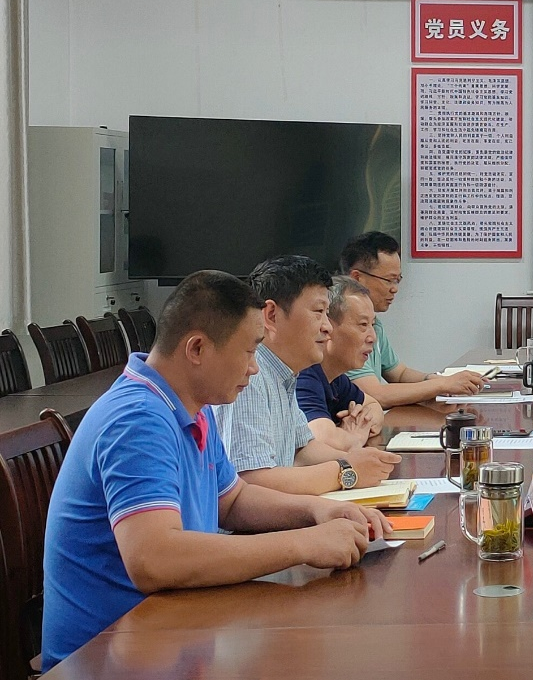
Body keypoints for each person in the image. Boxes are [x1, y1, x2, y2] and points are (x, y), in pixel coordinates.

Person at [42, 271, 388, 669]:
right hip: (109, 656)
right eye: (249, 352)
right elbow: (155, 559)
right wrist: (305, 544)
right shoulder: (138, 419)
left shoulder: (191, 405)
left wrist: (316, 511)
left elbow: (233, 499)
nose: (254, 368)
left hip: (171, 633)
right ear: (197, 349)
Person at [213, 255, 400, 494]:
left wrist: (357, 459)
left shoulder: (285, 373)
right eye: (318, 312)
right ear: (271, 315)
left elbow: (302, 451)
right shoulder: (251, 376)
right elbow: (252, 480)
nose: (327, 327)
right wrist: (347, 471)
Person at [340, 231, 487, 407]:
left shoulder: (375, 324)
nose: (395, 289)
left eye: (397, 280)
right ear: (357, 278)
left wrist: (438, 379)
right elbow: (376, 395)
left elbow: (399, 373)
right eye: (389, 280)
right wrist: (441, 385)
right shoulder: (343, 327)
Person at [296, 276, 385, 452]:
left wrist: (359, 423)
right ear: (328, 326)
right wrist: (355, 437)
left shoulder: (335, 378)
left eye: (372, 325)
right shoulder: (303, 374)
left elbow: (374, 406)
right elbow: (324, 439)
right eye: (363, 325)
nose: (373, 337)